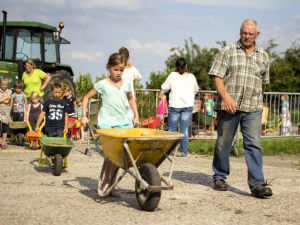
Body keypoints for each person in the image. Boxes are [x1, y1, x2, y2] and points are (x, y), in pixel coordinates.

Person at [209, 19, 273, 198]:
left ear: (257, 35)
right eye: (244, 33)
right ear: (240, 32)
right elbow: (217, 76)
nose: (246, 36)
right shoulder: (227, 51)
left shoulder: (264, 56)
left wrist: (259, 102)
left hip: (252, 107)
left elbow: (263, 83)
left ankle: (257, 184)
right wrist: (226, 97)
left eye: (250, 34)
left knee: (253, 143)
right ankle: (220, 176)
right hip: (229, 106)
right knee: (223, 142)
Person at [81, 53, 139, 197]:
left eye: (121, 70)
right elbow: (86, 97)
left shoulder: (126, 83)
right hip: (107, 124)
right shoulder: (102, 84)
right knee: (111, 156)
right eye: (115, 69)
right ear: (108, 68)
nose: (118, 73)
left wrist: (136, 115)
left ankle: (111, 185)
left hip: (123, 123)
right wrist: (83, 115)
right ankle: (108, 184)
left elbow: (131, 100)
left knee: (120, 156)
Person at [161, 57, 199, 157]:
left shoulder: (172, 75)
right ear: (186, 65)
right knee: (184, 129)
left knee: (172, 129)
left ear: (176, 66)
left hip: (175, 105)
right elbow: (196, 89)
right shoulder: (191, 77)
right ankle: (184, 152)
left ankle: (169, 151)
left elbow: (164, 87)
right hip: (187, 105)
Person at [119, 47, 142, 127]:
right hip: (130, 102)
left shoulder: (117, 69)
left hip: (118, 102)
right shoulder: (132, 69)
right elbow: (139, 77)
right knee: (128, 129)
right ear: (128, 57)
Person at [0, 78, 12, 149]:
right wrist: (5, 98)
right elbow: (6, 100)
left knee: (5, 128)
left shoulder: (9, 91)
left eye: (6, 85)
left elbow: (7, 102)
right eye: (3, 85)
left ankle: (3, 142)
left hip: (6, 113)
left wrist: (2, 99)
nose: (5, 86)